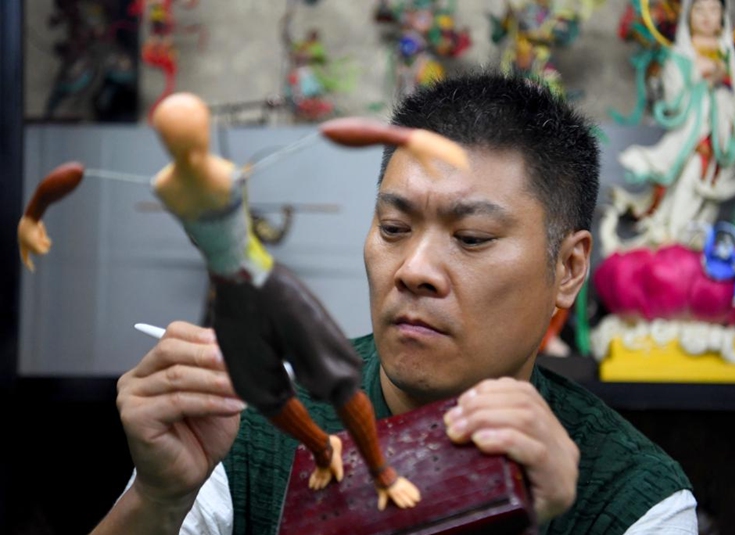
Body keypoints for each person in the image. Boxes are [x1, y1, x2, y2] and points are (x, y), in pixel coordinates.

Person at [90, 72, 696, 535]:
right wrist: (158, 497)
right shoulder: (243, 431)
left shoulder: (634, 498)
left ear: (568, 268)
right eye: (393, 227)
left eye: (472, 238)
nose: (414, 271)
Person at [604, 0, 735, 253]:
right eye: (700, 10)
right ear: (688, 15)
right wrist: (698, 76)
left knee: (708, 197)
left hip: (723, 141)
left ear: (723, 15)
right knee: (688, 179)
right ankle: (674, 237)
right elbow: (672, 102)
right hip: (691, 139)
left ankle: (691, 243)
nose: (707, 17)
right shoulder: (679, 57)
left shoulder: (733, 60)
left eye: (713, 10)